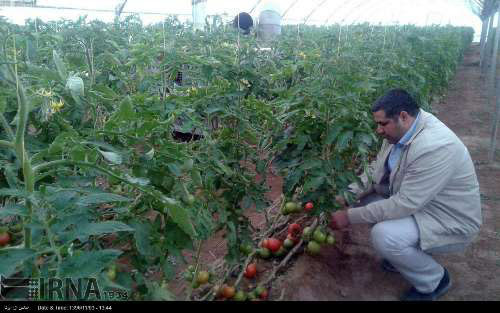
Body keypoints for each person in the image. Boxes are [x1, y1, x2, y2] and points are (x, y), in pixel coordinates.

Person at [329, 89, 482, 301]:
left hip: (450, 220)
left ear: (403, 116)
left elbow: (404, 205)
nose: (378, 130)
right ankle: (404, 256)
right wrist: (347, 195)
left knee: (384, 235)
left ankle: (435, 280)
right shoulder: (399, 133)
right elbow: (376, 171)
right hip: (423, 206)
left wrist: (348, 217)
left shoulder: (434, 147)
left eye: (382, 124)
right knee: (365, 202)